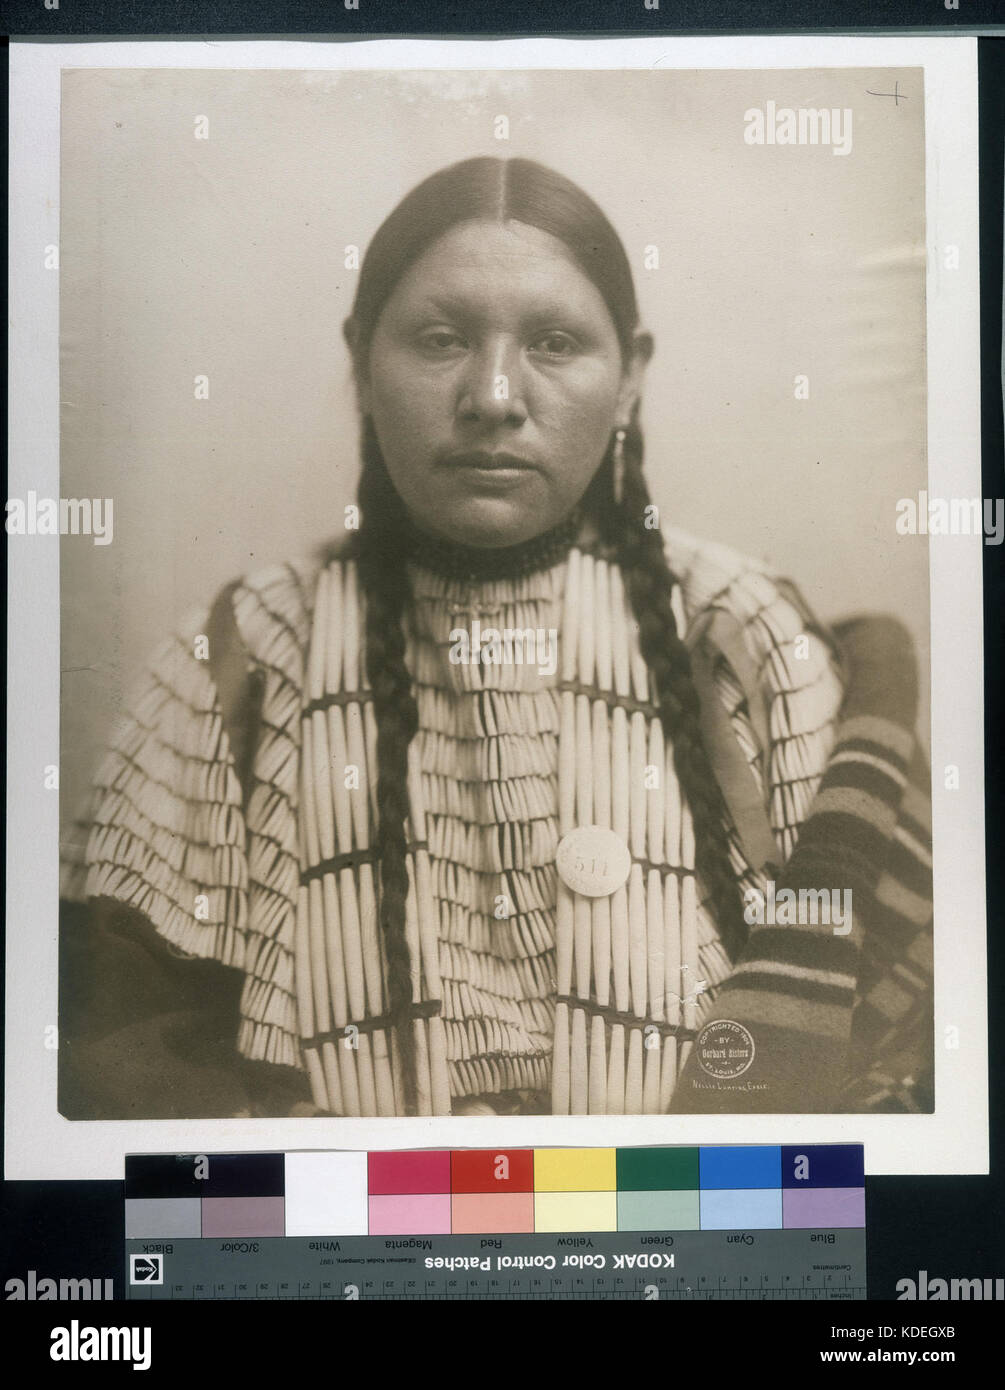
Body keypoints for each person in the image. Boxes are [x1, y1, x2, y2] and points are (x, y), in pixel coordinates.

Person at [59, 156, 934, 1120]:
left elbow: (868, 1053)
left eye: (555, 342)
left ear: (631, 376)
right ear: (360, 359)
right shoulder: (245, 652)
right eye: (439, 339)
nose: (493, 394)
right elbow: (129, 1053)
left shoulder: (744, 631)